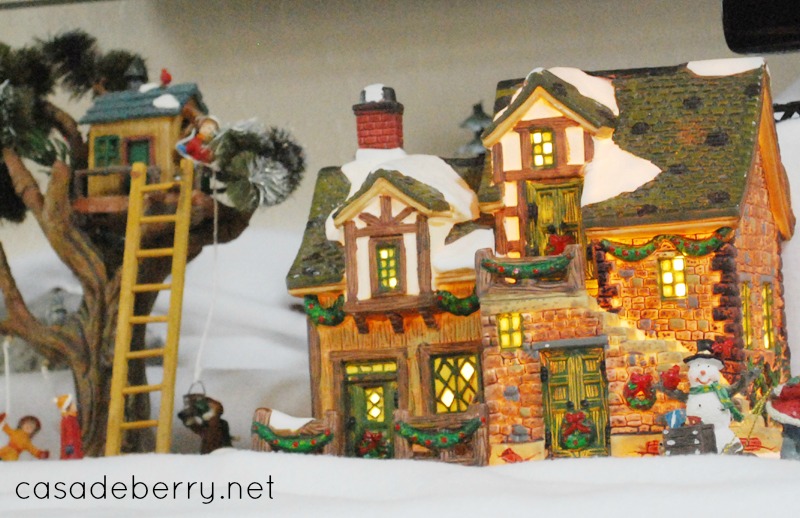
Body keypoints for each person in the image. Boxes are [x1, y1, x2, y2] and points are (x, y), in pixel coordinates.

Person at [55, 394, 83, 460]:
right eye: (72, 404)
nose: (75, 405)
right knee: (72, 462)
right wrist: (69, 445)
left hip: (74, 446)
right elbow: (69, 433)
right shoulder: (68, 419)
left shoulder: (71, 418)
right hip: (72, 449)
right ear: (68, 407)